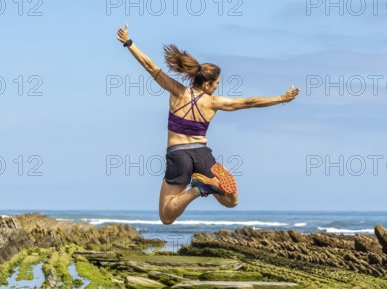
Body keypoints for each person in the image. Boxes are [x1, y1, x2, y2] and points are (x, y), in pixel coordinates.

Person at [117, 24, 300, 225]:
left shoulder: (178, 91)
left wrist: (129, 43)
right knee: (232, 201)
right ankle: (207, 184)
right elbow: (250, 102)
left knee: (166, 216)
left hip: (178, 155)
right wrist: (281, 98)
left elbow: (150, 66)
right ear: (206, 84)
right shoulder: (214, 102)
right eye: (216, 83)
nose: (217, 86)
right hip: (202, 154)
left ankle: (198, 189)